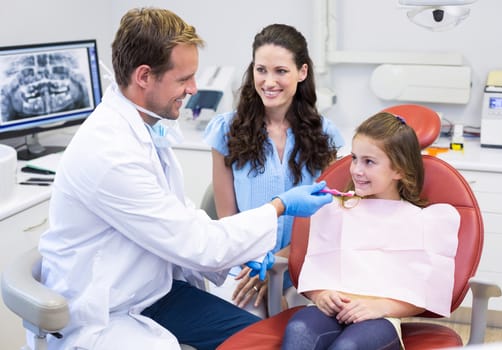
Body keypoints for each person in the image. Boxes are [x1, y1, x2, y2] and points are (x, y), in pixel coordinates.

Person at [37, 8, 334, 350]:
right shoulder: (110, 153)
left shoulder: (146, 132)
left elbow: (183, 215)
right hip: (107, 310)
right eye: (183, 79)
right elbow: (197, 244)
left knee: (268, 341)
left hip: (155, 292)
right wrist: (279, 207)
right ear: (144, 76)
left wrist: (243, 252)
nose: (194, 89)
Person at [281, 112, 461, 350]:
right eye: (354, 158)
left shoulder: (422, 222)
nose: (356, 169)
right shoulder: (334, 211)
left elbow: (425, 293)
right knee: (299, 331)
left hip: (381, 318)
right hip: (327, 309)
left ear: (399, 169)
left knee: (349, 347)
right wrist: (319, 295)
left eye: (369, 162)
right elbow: (317, 265)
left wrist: (380, 306)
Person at [203, 23, 344, 317]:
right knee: (250, 332)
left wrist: (277, 269)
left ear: (301, 73)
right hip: (245, 268)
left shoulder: (325, 135)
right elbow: (228, 218)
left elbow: (327, 218)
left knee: (311, 331)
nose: (269, 81)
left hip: (304, 263)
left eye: (281, 71)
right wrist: (260, 269)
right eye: (261, 70)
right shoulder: (226, 132)